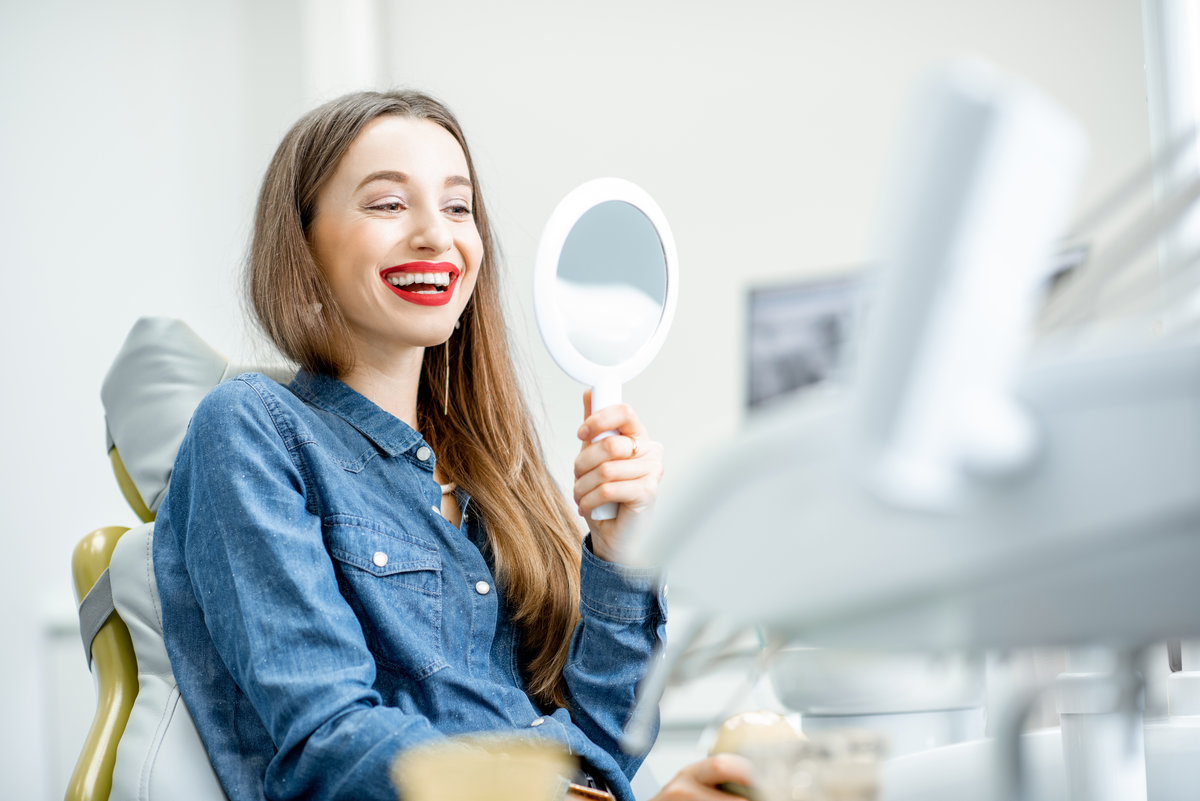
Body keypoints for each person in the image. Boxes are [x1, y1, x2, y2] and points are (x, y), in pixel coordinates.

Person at [153, 88, 750, 801]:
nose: (438, 235)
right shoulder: (250, 426)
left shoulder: (490, 479)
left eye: (458, 206)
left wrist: (618, 555)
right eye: (387, 204)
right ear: (303, 241)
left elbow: (606, 744)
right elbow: (329, 741)